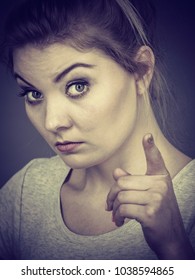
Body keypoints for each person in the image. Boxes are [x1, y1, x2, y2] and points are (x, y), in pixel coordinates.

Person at [0, 0, 194, 260]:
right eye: (33, 93)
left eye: (77, 86)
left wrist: (175, 250)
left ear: (141, 71)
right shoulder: (25, 193)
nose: (51, 122)